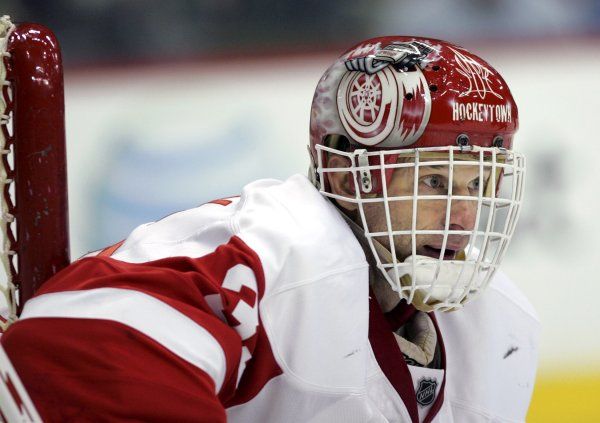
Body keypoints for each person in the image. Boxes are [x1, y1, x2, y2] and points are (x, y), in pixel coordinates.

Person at [1, 36, 539, 422]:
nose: (464, 217)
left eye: (478, 186)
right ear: (353, 176)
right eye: (437, 182)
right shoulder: (273, 252)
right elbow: (78, 344)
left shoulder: (502, 328)